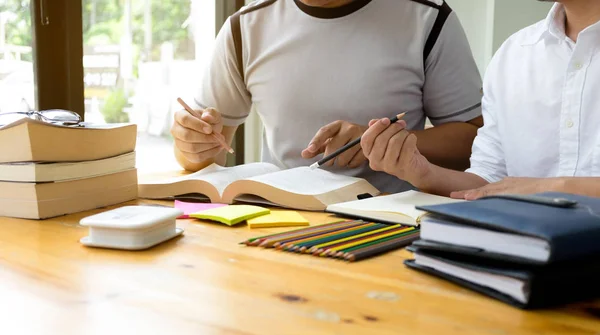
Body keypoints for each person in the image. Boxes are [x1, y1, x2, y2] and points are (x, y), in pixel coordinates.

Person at [170, 0, 483, 193]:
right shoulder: (245, 26)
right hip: (278, 220)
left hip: (388, 223)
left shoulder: (428, 19)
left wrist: (385, 144)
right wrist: (191, 147)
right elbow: (208, 152)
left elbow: (476, 142)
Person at [361, 0, 600, 199]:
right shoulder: (515, 53)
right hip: (524, 248)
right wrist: (422, 174)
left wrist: (552, 188)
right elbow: (486, 181)